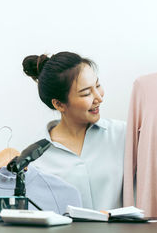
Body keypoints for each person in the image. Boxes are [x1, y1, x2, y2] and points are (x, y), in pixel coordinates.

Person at [22, 51, 126, 211]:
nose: (99, 98)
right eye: (86, 93)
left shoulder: (124, 135)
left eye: (97, 85)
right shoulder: (36, 158)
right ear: (59, 104)